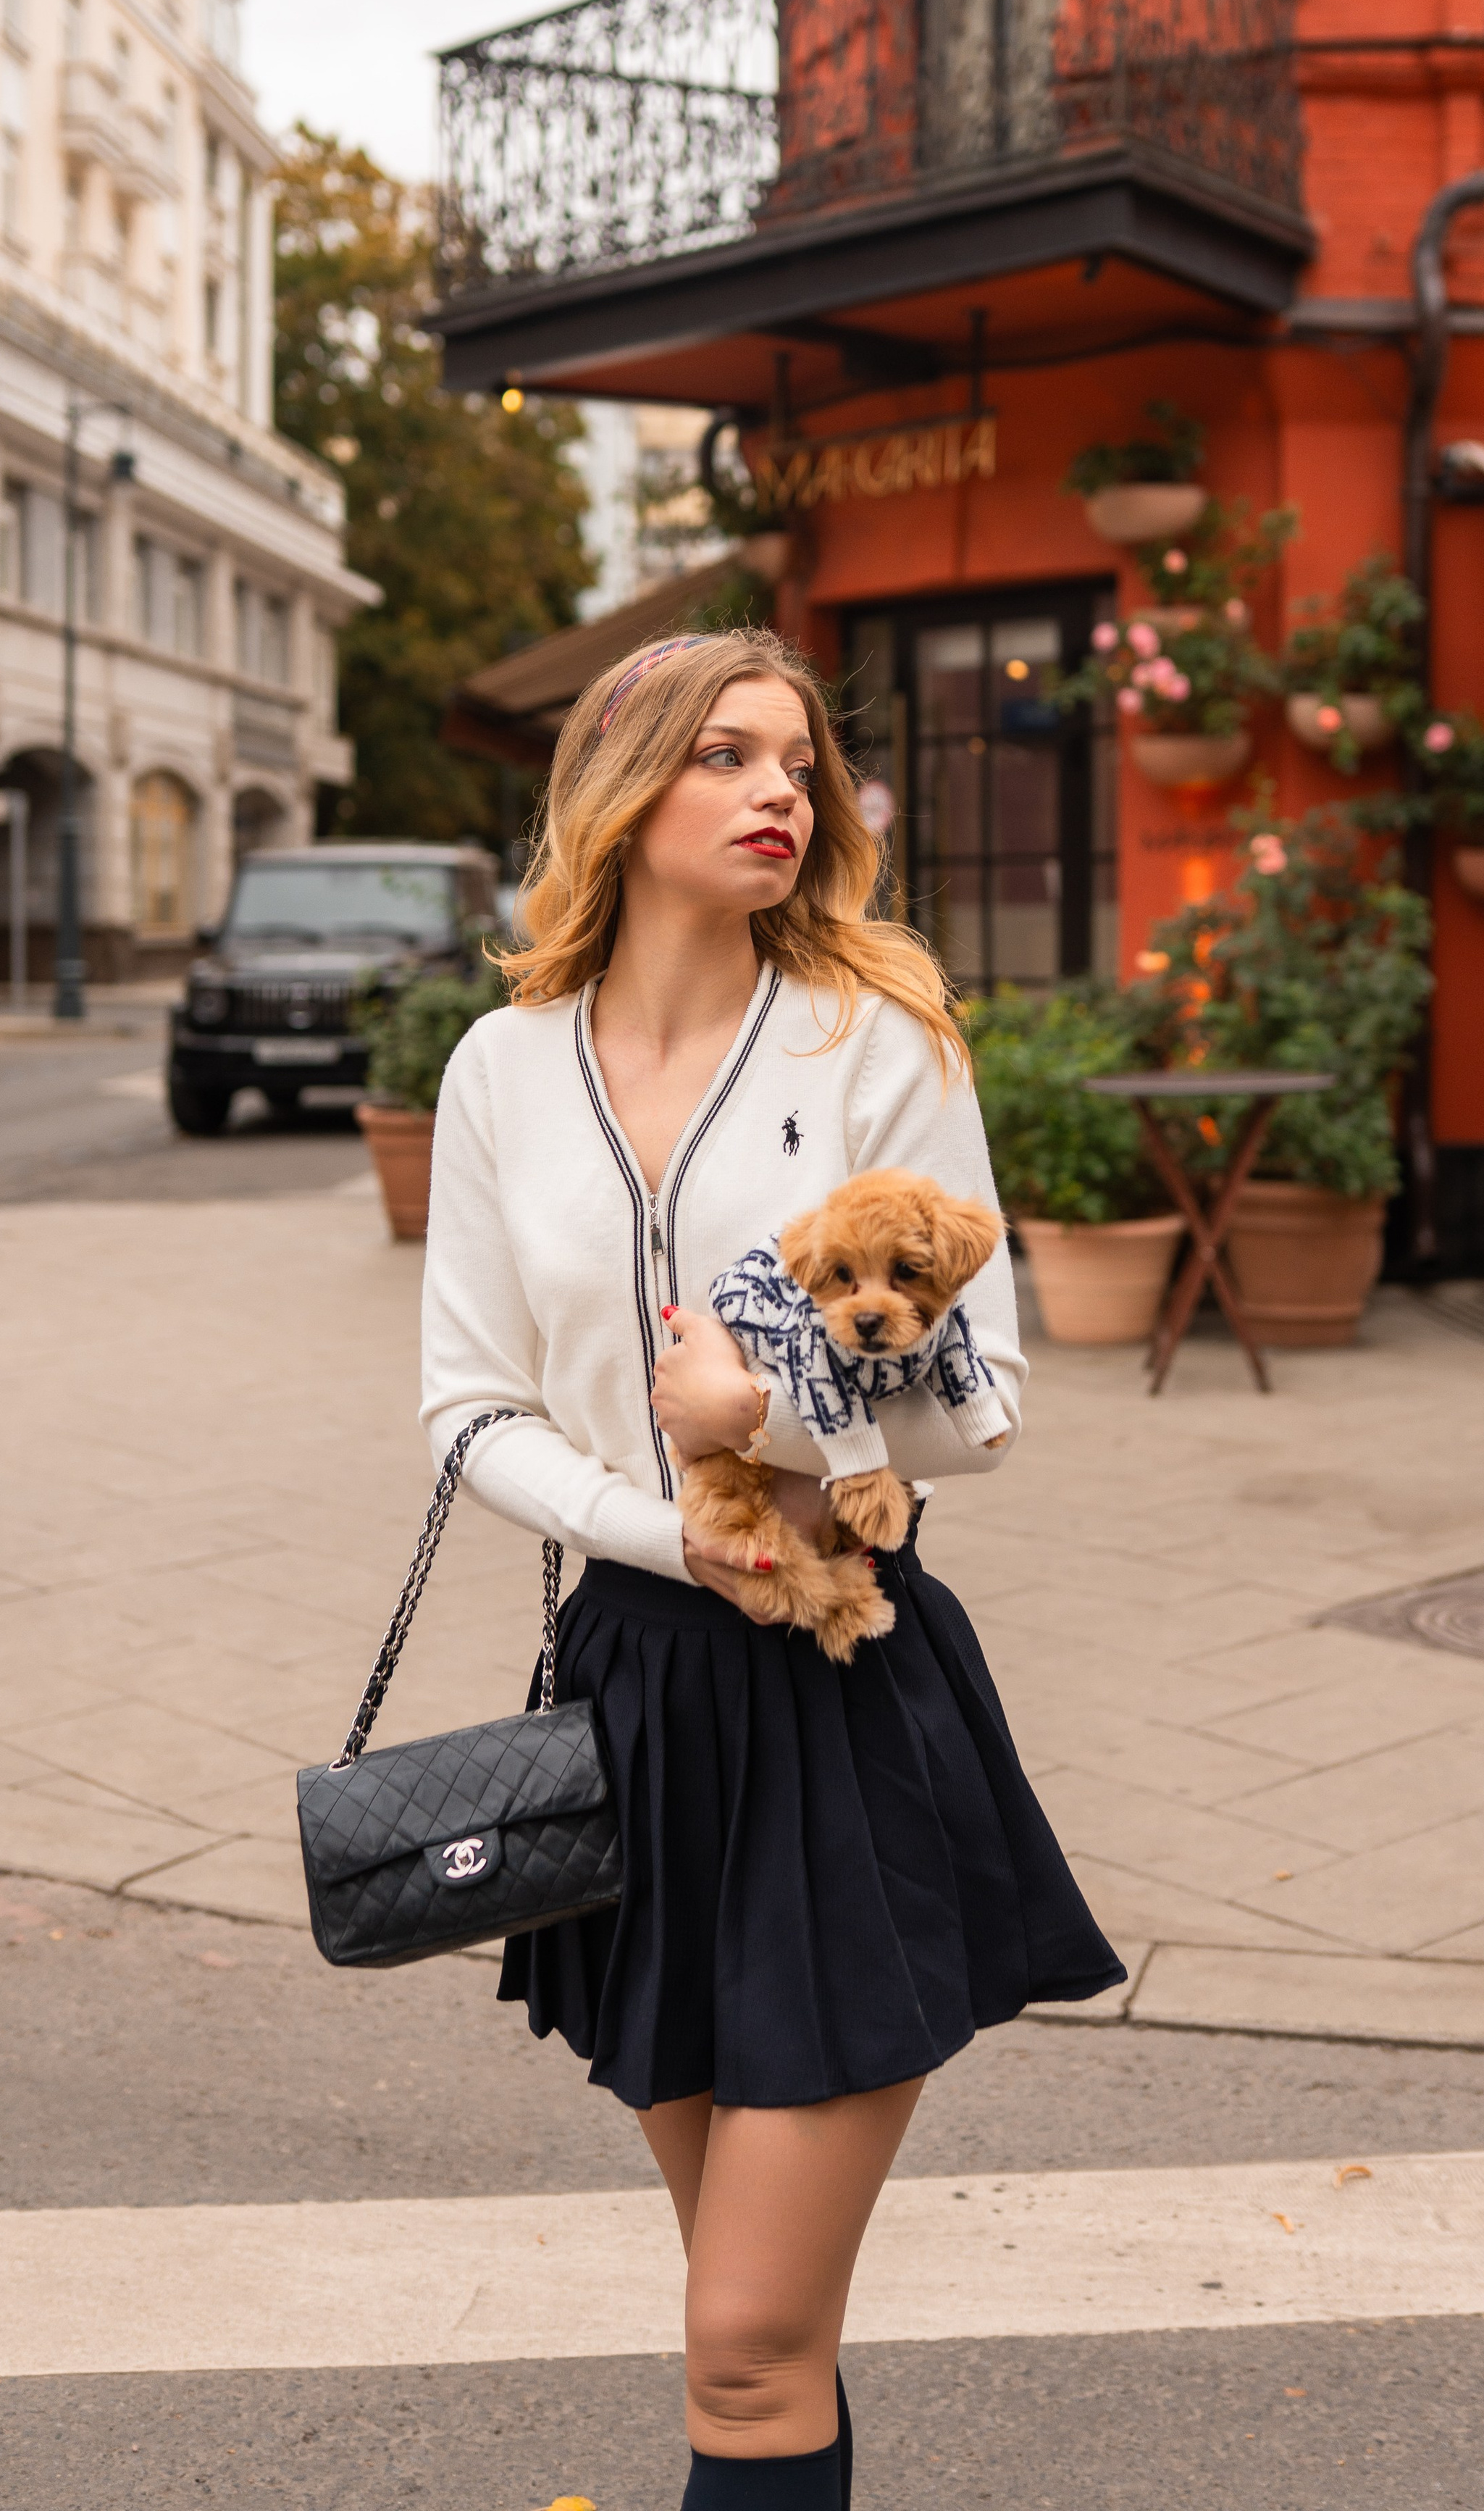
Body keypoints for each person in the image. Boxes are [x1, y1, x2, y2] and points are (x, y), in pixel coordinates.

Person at [422, 627, 1123, 2509]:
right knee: (761, 2337)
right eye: (727, 753)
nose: (777, 790)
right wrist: (674, 1529)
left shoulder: (871, 1037)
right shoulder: (499, 1068)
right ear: (622, 787)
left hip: (843, 1680)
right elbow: (470, 1410)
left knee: (740, 2334)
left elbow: (982, 1395)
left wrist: (784, 1407)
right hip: (636, 1697)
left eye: (798, 760)